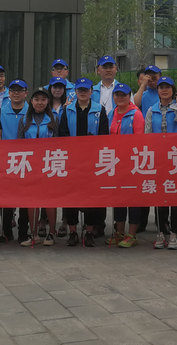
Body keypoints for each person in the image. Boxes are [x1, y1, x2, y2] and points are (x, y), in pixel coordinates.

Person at [58, 77, 109, 246]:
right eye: (80, 90)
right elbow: (63, 134)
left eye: (86, 90)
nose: (83, 92)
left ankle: (89, 232)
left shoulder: (99, 110)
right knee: (71, 197)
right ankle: (72, 232)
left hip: (92, 161)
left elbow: (104, 135)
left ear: (91, 92)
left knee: (90, 197)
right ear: (75, 91)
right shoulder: (67, 110)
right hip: (72, 161)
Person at [143, 76, 177, 250]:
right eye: (161, 87)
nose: (164, 90)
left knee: (175, 197)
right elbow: (147, 134)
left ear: (173, 90)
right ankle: (161, 232)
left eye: (167, 87)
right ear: (157, 91)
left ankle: (173, 234)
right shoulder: (152, 110)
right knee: (160, 198)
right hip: (159, 158)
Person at [17, 87, 59, 246]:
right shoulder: (24, 120)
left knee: (49, 201)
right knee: (31, 201)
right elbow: (19, 143)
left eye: (43, 99)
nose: (40, 102)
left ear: (48, 101)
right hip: (30, 166)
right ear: (31, 101)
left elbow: (59, 143)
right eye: (36, 99)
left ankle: (51, 233)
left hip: (49, 165)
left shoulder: (54, 119)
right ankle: (34, 234)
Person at [108, 82, 145, 248]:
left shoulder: (136, 114)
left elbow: (140, 139)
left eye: (123, 95)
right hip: (115, 163)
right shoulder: (112, 113)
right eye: (117, 94)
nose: (120, 97)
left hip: (132, 163)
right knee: (118, 198)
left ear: (129, 96)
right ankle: (119, 232)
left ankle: (132, 234)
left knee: (133, 198)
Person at [0, 79, 30, 243]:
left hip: (27, 160)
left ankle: (23, 231)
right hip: (7, 159)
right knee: (6, 197)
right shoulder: (2, 111)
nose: (16, 93)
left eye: (20, 90)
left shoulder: (31, 111)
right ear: (9, 93)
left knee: (25, 198)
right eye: (13, 90)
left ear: (26, 93)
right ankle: (6, 230)